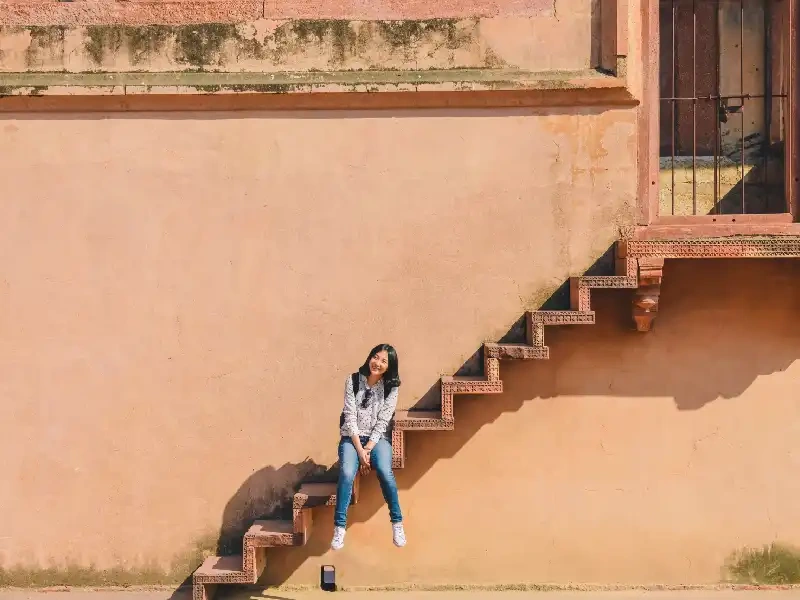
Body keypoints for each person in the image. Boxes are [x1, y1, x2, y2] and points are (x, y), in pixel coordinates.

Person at [331, 343, 406, 550]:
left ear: (389, 367)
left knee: (384, 470)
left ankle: (397, 522)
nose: (378, 363)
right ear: (369, 357)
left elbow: (383, 421)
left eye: (384, 361)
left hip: (377, 439)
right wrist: (360, 450)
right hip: (351, 438)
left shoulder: (392, 387)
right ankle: (339, 528)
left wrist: (369, 449)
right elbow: (349, 416)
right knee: (346, 473)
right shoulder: (353, 380)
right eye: (376, 357)